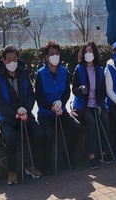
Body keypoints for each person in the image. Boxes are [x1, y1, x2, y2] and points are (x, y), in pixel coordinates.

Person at [0, 45, 45, 185]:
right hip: (7, 118)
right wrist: (14, 114)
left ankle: (30, 165)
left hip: (25, 115)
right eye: (9, 59)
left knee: (39, 134)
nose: (12, 62)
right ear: (3, 61)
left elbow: (31, 94)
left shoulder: (23, 74)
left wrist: (25, 110)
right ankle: (12, 171)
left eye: (14, 58)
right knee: (11, 138)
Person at [35, 40, 80, 175]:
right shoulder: (41, 74)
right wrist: (52, 106)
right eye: (52, 54)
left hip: (61, 111)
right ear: (47, 57)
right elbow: (39, 97)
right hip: (45, 113)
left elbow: (67, 92)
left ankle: (68, 157)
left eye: (57, 53)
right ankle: (47, 164)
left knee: (76, 127)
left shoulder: (64, 71)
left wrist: (61, 102)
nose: (55, 56)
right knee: (48, 134)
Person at [72, 41, 113, 170]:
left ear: (95, 53)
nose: (88, 53)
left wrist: (100, 105)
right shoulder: (79, 69)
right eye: (86, 51)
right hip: (84, 106)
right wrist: (81, 89)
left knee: (106, 120)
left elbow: (103, 91)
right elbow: (74, 90)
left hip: (97, 104)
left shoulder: (100, 70)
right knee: (91, 122)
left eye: (90, 51)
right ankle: (91, 155)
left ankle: (103, 151)